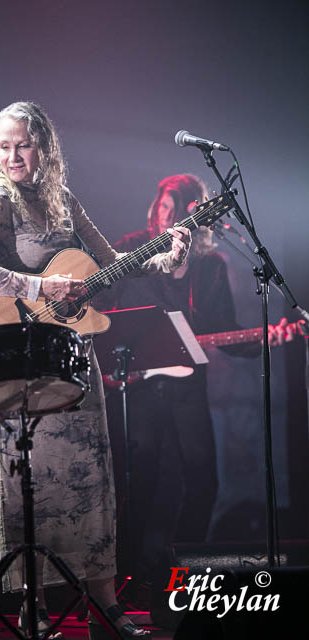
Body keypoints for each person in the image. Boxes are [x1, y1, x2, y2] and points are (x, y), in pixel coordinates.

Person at [0, 102, 191, 638]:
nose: (13, 156)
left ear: (44, 147)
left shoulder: (64, 201)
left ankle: (103, 602)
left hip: (73, 356)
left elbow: (111, 265)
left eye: (24, 144)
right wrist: (39, 287)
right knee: (30, 482)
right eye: (4, 146)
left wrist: (170, 256)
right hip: (20, 358)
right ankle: (31, 606)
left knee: (92, 480)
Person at [99, 173, 299, 615]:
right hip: (137, 383)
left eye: (174, 209)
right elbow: (109, 306)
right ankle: (128, 576)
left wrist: (266, 337)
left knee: (204, 479)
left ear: (195, 213)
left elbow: (219, 330)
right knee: (141, 481)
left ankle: (178, 575)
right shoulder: (133, 245)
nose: (164, 216)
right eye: (161, 208)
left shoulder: (211, 265)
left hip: (188, 384)